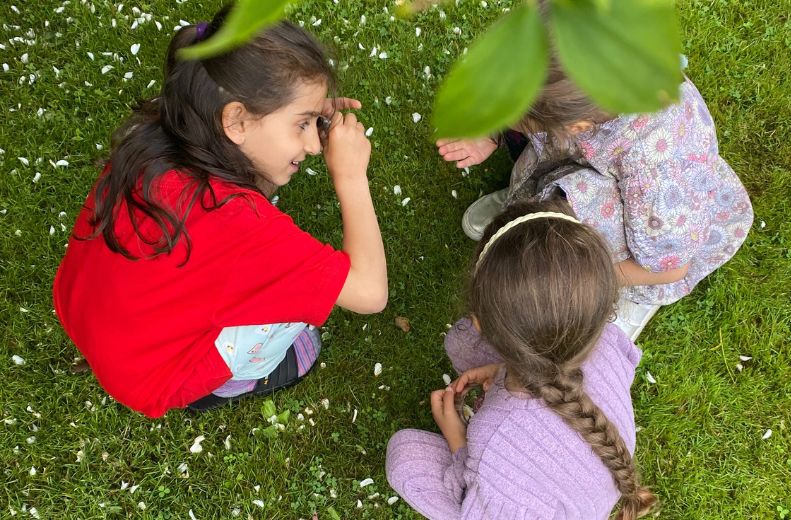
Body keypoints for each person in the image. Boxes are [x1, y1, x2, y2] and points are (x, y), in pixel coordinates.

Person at [52, 6, 387, 418]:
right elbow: (370, 293)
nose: (316, 146)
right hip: (151, 378)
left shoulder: (164, 131)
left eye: (314, 120)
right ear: (236, 120)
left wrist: (303, 111)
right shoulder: (240, 227)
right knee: (289, 315)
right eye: (302, 125)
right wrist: (351, 178)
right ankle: (245, 377)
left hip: (89, 314)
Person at [436, 58, 753, 339]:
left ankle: (629, 296)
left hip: (654, 241)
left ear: (577, 125)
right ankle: (534, 200)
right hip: (589, 160)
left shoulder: (662, 177)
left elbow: (670, 268)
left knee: (585, 232)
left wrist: (584, 279)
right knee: (547, 152)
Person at [386, 200, 654, 519]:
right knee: (462, 345)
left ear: (484, 324)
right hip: (581, 485)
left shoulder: (493, 438)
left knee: (405, 458)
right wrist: (499, 370)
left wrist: (460, 443)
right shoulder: (607, 339)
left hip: (525, 496)